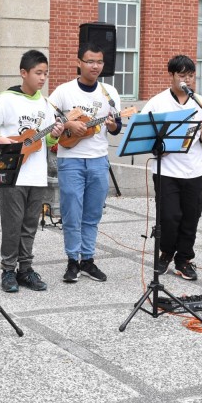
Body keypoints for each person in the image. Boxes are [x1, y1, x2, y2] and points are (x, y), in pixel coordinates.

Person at [0, 50, 64, 292]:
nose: (43, 78)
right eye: (38, 73)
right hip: (13, 173)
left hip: (37, 173)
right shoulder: (7, 99)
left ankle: (25, 268)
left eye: (46, 73)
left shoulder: (45, 104)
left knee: (30, 224)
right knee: (12, 223)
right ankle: (7, 270)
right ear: (23, 73)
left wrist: (53, 135)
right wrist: (0, 139)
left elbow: (44, 141)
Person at [48, 42, 122, 283]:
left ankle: (88, 259)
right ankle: (72, 261)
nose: (95, 66)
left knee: (92, 214)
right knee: (71, 213)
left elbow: (116, 127)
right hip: (70, 160)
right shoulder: (63, 91)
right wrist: (69, 125)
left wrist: (112, 125)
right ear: (79, 62)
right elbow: (50, 119)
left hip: (99, 160)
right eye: (90, 61)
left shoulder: (109, 93)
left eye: (99, 62)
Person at [142, 55, 202, 281]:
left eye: (191, 76)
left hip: (193, 169)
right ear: (171, 75)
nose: (187, 80)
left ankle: (184, 259)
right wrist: (157, 149)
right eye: (182, 75)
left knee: (191, 215)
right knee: (169, 216)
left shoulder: (200, 103)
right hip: (166, 170)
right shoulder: (157, 102)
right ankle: (165, 253)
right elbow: (144, 136)